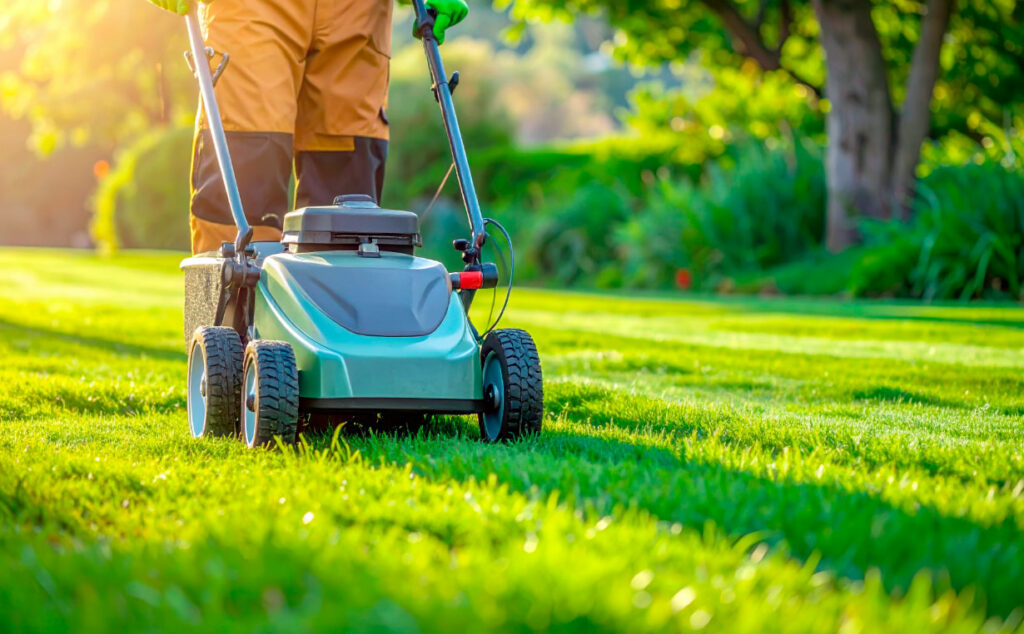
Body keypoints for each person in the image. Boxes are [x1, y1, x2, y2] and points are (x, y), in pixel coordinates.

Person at [147, 0, 469, 254]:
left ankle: (335, 318)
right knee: (245, 174)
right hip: (250, 8)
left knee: (347, 210)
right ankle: (231, 317)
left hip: (358, 11)